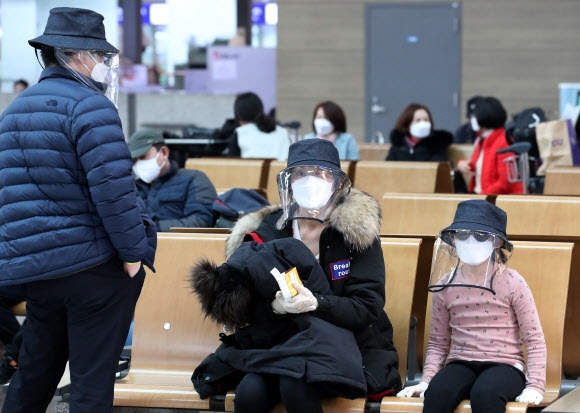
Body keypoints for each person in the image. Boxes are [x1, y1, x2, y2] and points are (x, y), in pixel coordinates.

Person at [0, 7, 157, 412]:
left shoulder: (15, 109)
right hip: (93, 269)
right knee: (91, 383)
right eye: (101, 57)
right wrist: (132, 255)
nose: (105, 64)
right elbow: (115, 193)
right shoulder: (92, 107)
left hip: (39, 271)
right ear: (80, 56)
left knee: (34, 375)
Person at [222, 139, 402, 412]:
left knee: (296, 384)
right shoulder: (268, 232)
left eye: (320, 173)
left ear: (337, 183)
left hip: (350, 344)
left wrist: (316, 303)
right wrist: (274, 307)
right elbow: (241, 309)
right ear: (289, 182)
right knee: (249, 394)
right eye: (301, 173)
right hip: (283, 343)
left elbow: (366, 307)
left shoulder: (357, 234)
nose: (310, 180)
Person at [396, 199, 546, 412]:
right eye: (463, 234)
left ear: (497, 242)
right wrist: (427, 379)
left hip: (505, 364)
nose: (470, 241)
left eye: (480, 235)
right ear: (453, 239)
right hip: (461, 362)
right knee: (438, 394)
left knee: (485, 394)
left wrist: (536, 385)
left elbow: (534, 340)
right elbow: (438, 342)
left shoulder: (513, 281)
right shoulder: (445, 284)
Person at [128, 128, 218, 231]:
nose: (139, 164)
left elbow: (201, 222)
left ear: (164, 153)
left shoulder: (193, 179)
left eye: (144, 157)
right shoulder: (132, 188)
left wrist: (151, 229)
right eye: (134, 161)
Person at [456, 97, 523, 194]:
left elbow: (504, 183)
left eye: (474, 116)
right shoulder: (483, 139)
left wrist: (479, 198)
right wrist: (461, 164)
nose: (471, 120)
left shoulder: (503, 141)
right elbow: (477, 165)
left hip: (493, 201)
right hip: (483, 197)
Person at [226, 92, 290, 160]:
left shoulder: (240, 133)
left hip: (251, 170)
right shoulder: (282, 132)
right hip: (281, 170)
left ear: (239, 115)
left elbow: (231, 165)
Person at [386, 103, 452, 162]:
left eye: (426, 120)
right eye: (418, 120)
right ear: (408, 124)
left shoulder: (437, 145)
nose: (423, 123)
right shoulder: (399, 146)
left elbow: (440, 168)